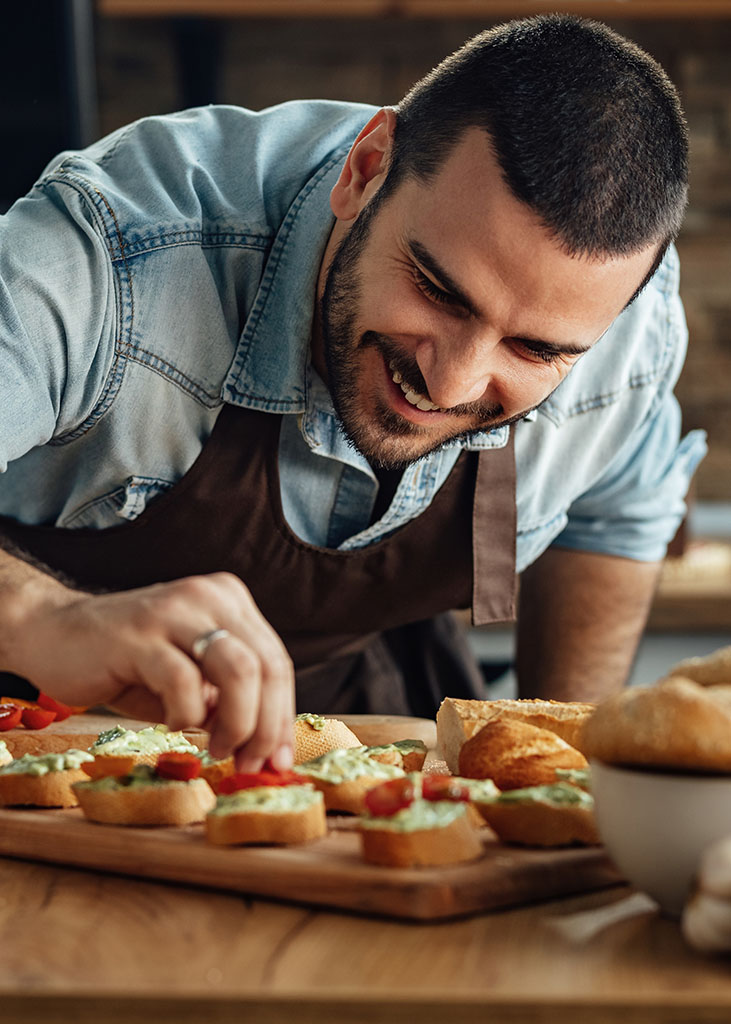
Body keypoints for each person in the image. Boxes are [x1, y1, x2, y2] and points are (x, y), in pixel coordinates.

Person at [0, 14, 706, 770]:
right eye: (438, 292)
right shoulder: (107, 254)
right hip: (37, 725)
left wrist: (555, 779)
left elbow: (610, 518)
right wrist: (45, 616)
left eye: (533, 349)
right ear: (365, 170)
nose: (451, 381)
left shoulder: (624, 328)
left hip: (366, 728)